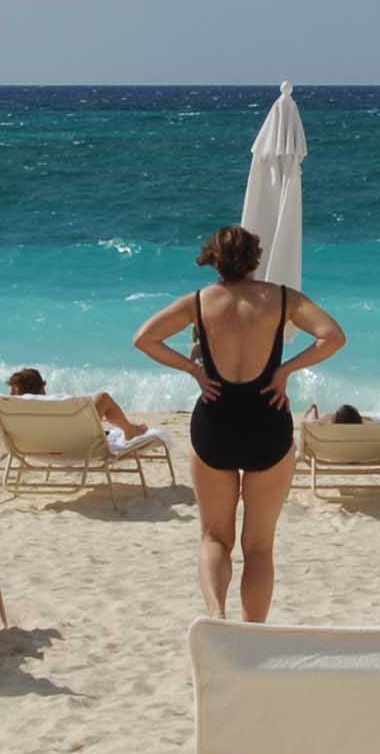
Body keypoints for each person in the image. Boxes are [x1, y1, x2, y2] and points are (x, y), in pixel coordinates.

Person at [130, 225, 348, 622]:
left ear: (214, 258)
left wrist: (194, 371)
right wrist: (285, 371)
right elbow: (333, 337)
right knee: (259, 546)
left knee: (215, 537)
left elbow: (144, 338)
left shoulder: (199, 301)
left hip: (215, 422)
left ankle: (216, 616)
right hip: (267, 421)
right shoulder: (281, 298)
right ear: (255, 258)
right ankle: (254, 633)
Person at [3, 366, 147, 439]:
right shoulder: (52, 403)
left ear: (15, 391)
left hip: (35, 447)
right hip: (73, 444)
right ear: (42, 388)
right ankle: (130, 430)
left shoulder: (8, 410)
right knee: (102, 398)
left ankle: (130, 429)